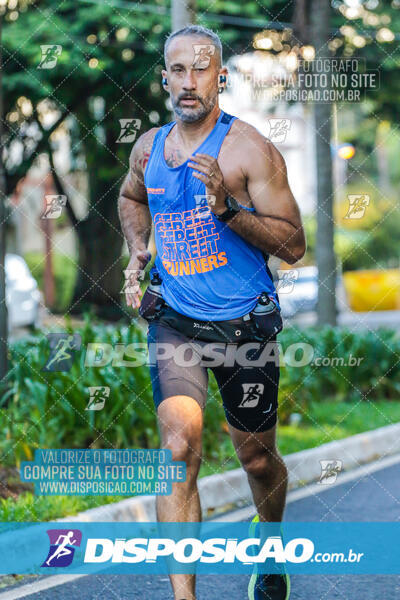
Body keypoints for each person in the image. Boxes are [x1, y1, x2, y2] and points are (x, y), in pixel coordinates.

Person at [118, 24, 306, 600]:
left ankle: (269, 546)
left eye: (201, 68)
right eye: (178, 69)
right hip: (175, 322)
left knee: (256, 459)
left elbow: (294, 245)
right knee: (178, 452)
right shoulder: (149, 147)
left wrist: (226, 208)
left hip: (246, 325)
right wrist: (137, 253)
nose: (188, 80)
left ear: (219, 76)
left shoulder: (250, 148)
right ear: (166, 78)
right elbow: (130, 197)